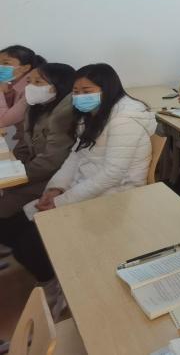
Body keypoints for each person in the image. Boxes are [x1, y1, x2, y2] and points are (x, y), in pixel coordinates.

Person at [2, 63, 155, 315]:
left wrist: (62, 201)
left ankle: (59, 285)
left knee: (29, 243)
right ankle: (55, 277)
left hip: (116, 196)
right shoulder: (93, 114)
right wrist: (56, 189)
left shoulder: (124, 120)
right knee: (11, 226)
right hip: (84, 188)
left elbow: (112, 174)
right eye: (76, 91)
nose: (80, 96)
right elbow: (76, 156)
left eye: (87, 91)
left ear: (107, 89)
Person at [0, 63, 76, 219]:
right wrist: (10, 170)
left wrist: (14, 177)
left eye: (38, 82)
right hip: (33, 170)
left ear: (59, 85)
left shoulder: (65, 115)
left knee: (6, 203)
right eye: (28, 81)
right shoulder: (35, 107)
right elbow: (24, 144)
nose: (30, 87)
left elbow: (51, 162)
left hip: (52, 176)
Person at [0, 45, 47, 132]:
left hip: (33, 139)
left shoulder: (32, 89)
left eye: (6, 63)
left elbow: (2, 121)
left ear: (25, 68)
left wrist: (0, 92)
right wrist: (5, 92)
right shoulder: (12, 83)